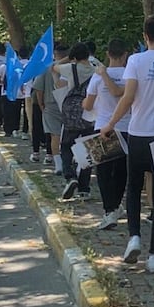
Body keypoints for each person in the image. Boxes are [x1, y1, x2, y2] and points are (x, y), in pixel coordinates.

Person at [100, 14, 154, 272]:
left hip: (138, 134)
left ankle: (134, 237)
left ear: (145, 36)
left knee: (134, 187)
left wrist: (111, 124)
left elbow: (127, 98)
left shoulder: (136, 61)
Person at [83, 39, 131, 229]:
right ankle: (116, 206)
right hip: (126, 127)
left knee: (103, 171)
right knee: (121, 172)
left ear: (108, 54)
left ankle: (108, 210)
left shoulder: (97, 77)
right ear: (125, 55)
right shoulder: (130, 75)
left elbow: (87, 104)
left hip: (102, 126)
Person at [54, 42, 96, 200]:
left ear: (74, 56)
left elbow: (55, 67)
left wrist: (67, 58)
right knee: (87, 149)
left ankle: (70, 176)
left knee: (66, 146)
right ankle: (84, 189)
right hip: (90, 112)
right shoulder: (95, 70)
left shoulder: (71, 69)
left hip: (72, 113)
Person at [33, 43, 69, 175]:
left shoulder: (47, 68)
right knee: (70, 135)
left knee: (55, 135)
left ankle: (58, 164)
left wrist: (41, 104)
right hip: (68, 105)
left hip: (51, 104)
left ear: (54, 54)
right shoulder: (71, 67)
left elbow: (38, 88)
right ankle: (70, 162)